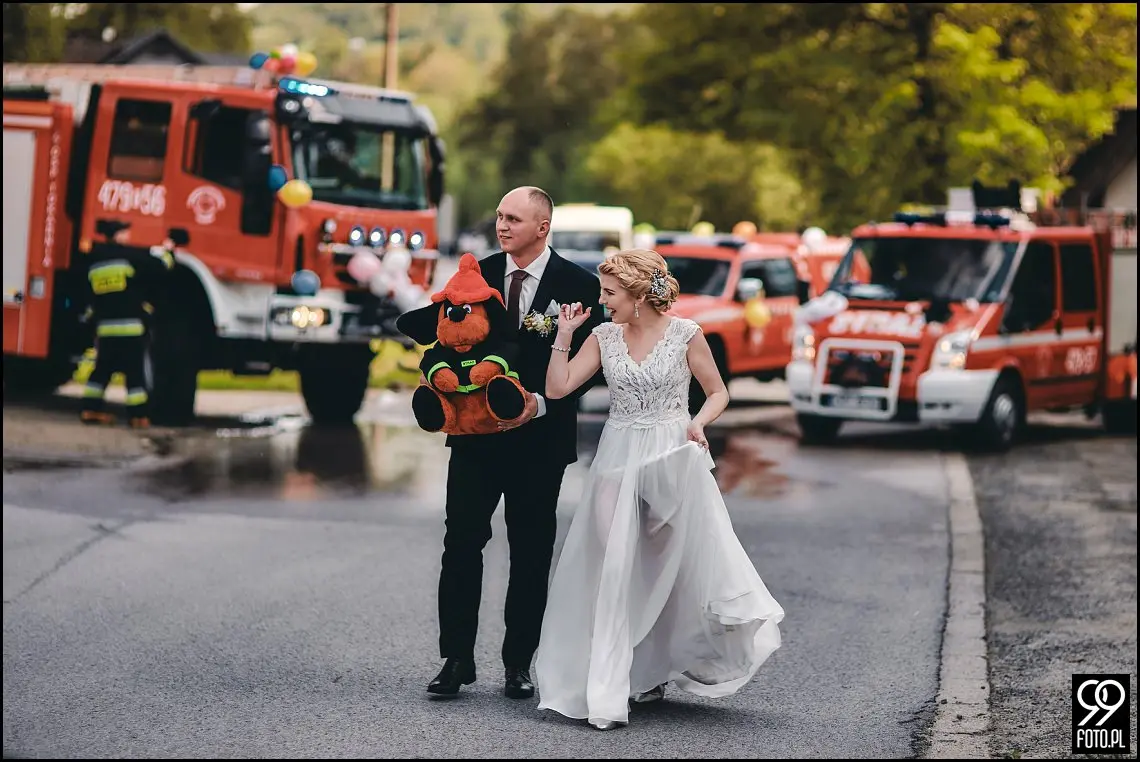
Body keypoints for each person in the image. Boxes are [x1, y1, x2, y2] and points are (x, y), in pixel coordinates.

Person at [534, 248, 785, 731]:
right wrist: (562, 337)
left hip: (669, 454)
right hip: (617, 454)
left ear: (638, 296)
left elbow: (718, 392)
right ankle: (612, 675)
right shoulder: (604, 336)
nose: (603, 301)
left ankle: (650, 668)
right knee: (613, 563)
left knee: (661, 567)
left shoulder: (686, 334)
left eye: (610, 293)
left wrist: (698, 423)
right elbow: (560, 387)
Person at [425, 186, 605, 699]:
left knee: (530, 553)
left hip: (539, 442)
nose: (501, 226)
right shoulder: (474, 274)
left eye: (513, 219)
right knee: (460, 545)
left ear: (542, 227)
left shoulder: (578, 284)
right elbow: (448, 339)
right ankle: (455, 659)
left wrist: (543, 404)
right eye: (500, 217)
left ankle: (518, 664)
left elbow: (590, 365)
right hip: (475, 439)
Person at [79, 220, 174, 429]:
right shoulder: (131, 256)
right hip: (130, 327)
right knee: (135, 374)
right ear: (119, 235)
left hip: (105, 329)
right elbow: (161, 267)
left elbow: (90, 298)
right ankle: (138, 417)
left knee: (101, 371)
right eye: (126, 233)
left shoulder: (95, 264)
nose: (129, 237)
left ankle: (90, 409)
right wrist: (167, 250)